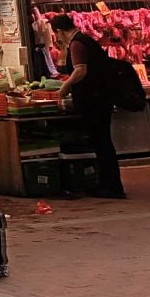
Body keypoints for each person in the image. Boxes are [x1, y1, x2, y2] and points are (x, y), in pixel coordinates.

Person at [52, 14, 126, 199]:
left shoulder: (77, 43)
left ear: (59, 31)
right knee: (103, 142)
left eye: (57, 35)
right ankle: (108, 184)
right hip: (101, 99)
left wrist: (65, 86)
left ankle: (112, 187)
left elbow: (80, 71)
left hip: (95, 101)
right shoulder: (85, 40)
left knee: (102, 143)